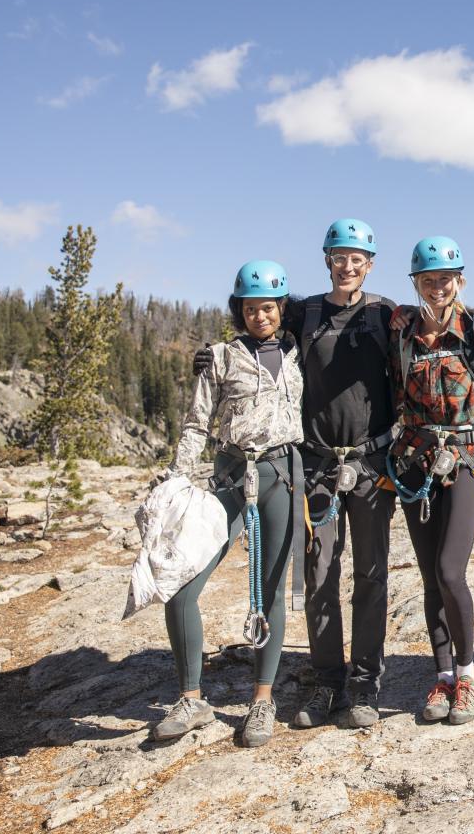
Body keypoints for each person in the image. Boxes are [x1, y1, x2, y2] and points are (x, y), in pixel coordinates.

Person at [191, 218, 397, 730]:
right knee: (322, 575)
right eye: (338, 256)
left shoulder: (387, 314)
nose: (347, 266)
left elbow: (436, 338)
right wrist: (214, 355)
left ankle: (365, 683)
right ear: (326, 259)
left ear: (370, 263)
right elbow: (257, 333)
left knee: (371, 573)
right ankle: (327, 680)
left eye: (357, 258)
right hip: (319, 463)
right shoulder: (303, 314)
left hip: (372, 464)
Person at [154, 260, 304, 748]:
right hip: (231, 475)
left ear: (282, 308)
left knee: (272, 591)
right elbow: (197, 422)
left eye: (268, 307)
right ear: (238, 310)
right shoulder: (219, 357)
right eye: (250, 308)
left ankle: (262, 700)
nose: (260, 316)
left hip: (283, 473)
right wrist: (177, 479)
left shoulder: (299, 351)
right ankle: (191, 697)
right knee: (183, 584)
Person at [387, 236, 474, 725]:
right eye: (428, 280)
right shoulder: (401, 333)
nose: (437, 288)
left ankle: (467, 673)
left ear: (460, 280)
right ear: (416, 283)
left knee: (450, 570)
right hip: (416, 460)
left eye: (445, 279)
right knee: (429, 575)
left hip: (465, 461)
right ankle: (441, 678)